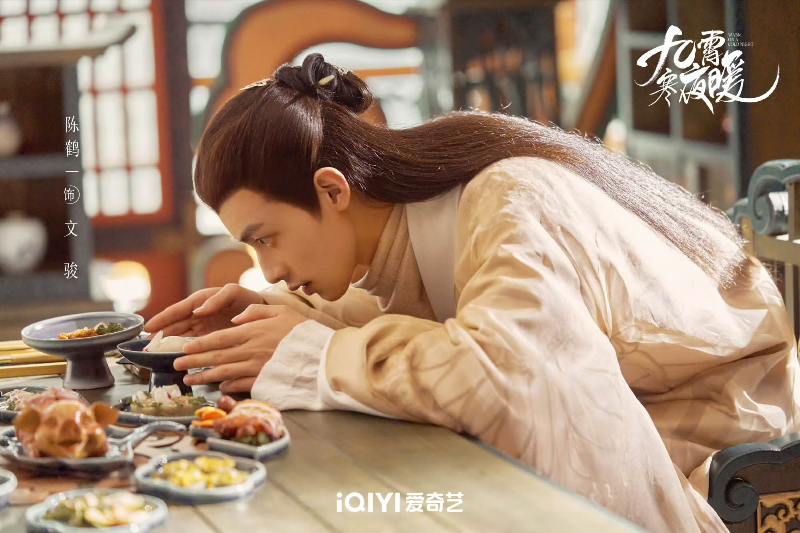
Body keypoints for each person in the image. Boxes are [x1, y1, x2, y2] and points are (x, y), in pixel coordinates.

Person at [144, 53, 800, 533]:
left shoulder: (509, 197)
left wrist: (313, 352)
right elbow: (375, 311)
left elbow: (509, 379)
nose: (267, 269)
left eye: (266, 239)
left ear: (332, 189)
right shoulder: (405, 226)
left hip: (715, 424)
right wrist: (270, 317)